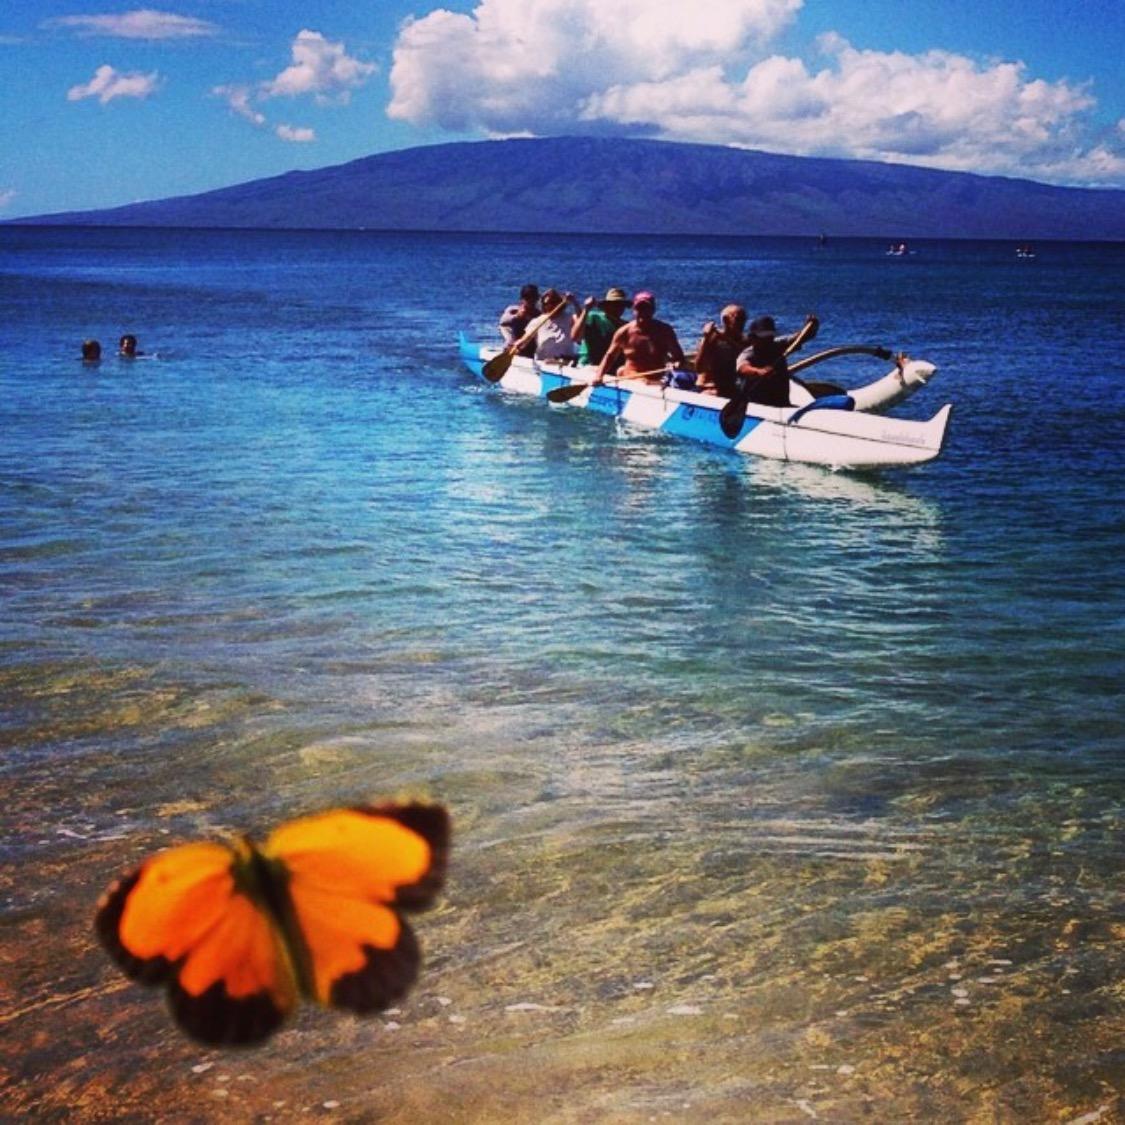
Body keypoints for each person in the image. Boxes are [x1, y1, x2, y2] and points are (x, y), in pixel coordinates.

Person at [593, 291, 686, 385]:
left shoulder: (665, 331)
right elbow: (610, 356)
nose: (643, 312)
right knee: (625, 373)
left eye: (647, 309)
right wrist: (599, 376)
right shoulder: (624, 332)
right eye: (639, 309)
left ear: (653, 310)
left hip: (657, 381)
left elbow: (679, 358)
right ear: (633, 310)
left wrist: (676, 364)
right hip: (631, 379)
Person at [734, 314, 818, 407]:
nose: (768, 340)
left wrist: (811, 327)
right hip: (755, 405)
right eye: (763, 337)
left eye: (770, 336)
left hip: (781, 403)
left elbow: (802, 337)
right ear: (752, 337)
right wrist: (759, 372)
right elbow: (742, 367)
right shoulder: (749, 353)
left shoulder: (778, 344)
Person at [694, 304, 747, 397]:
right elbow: (699, 368)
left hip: (730, 388)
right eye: (739, 319)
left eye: (744, 319)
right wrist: (706, 338)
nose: (742, 323)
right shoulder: (711, 339)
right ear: (726, 320)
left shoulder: (743, 341)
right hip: (710, 388)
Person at [571, 287, 629, 369]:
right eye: (615, 304)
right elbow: (575, 337)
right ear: (607, 306)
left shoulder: (626, 326)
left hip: (612, 368)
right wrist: (586, 310)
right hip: (590, 366)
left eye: (621, 305)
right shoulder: (594, 318)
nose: (618, 308)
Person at [533, 289, 580, 362]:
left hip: (564, 362)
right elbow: (524, 340)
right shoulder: (537, 321)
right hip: (543, 363)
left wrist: (575, 302)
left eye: (553, 303)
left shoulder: (569, 318)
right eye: (547, 303)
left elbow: (581, 320)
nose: (551, 306)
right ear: (543, 305)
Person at [499, 284, 541, 357]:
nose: (530, 301)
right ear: (522, 298)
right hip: (514, 348)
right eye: (527, 297)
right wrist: (517, 316)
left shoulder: (540, 315)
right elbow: (502, 321)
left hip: (532, 350)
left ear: (537, 299)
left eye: (533, 298)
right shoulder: (513, 310)